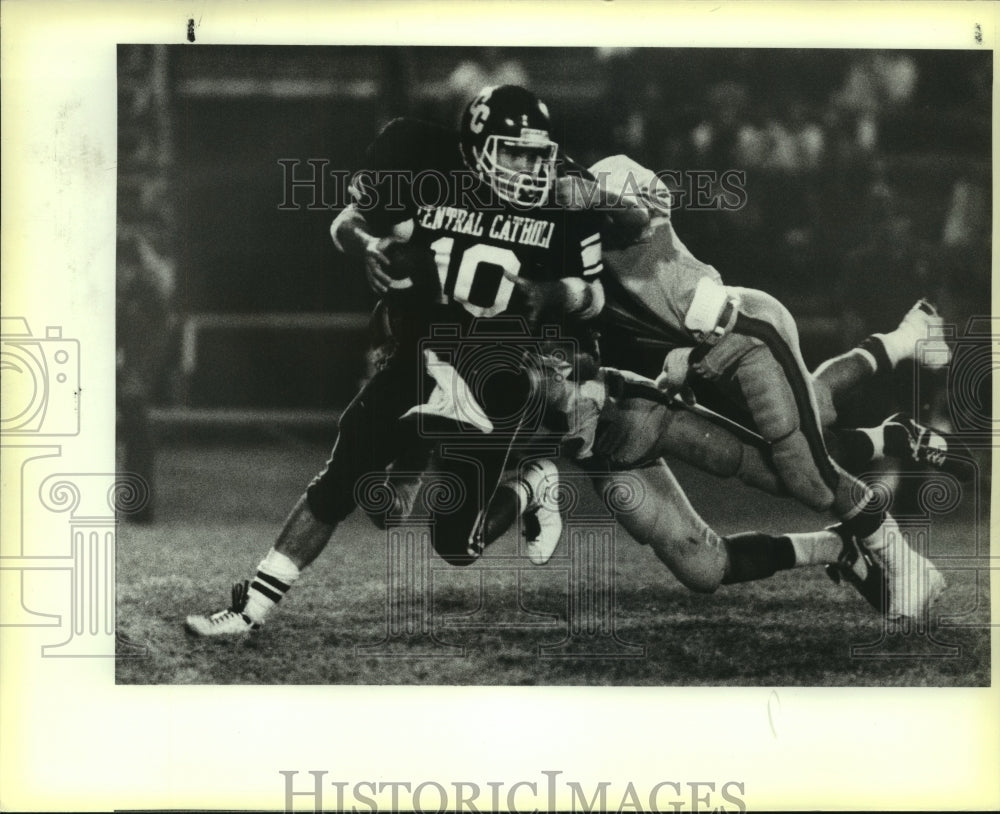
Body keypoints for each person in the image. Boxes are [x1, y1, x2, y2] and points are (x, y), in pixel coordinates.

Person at [185, 85, 605, 637]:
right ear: (475, 144)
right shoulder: (422, 161)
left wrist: (555, 296)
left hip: (500, 367)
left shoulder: (567, 195)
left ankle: (531, 482)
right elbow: (346, 223)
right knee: (344, 471)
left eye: (535, 154)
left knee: (455, 544)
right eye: (512, 151)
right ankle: (250, 610)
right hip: (423, 346)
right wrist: (369, 248)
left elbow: (597, 299)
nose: (527, 167)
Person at [541, 154, 956, 621]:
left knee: (809, 475)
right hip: (700, 352)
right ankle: (898, 383)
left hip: (743, 329)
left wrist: (592, 195)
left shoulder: (603, 180)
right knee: (817, 431)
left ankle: (906, 564)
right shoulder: (553, 243)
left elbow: (641, 215)